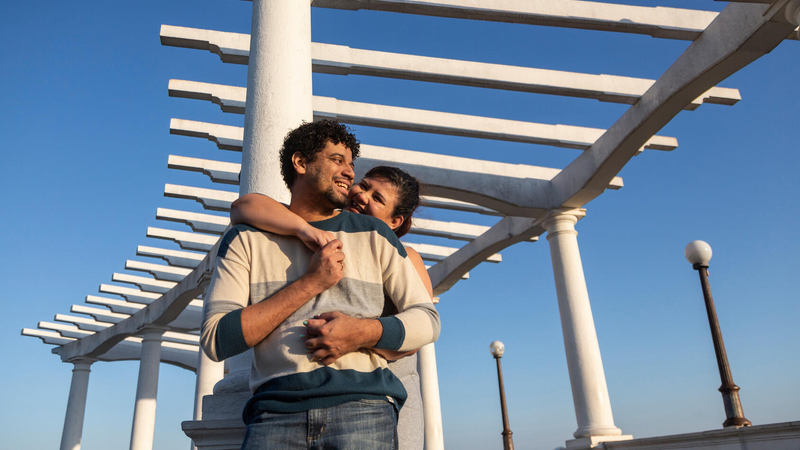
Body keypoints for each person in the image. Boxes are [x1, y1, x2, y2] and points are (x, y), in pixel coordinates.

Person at [200, 120, 440, 450]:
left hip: (365, 409)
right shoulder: (247, 238)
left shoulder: (376, 235)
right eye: (337, 160)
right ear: (300, 163)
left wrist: (359, 332)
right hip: (274, 416)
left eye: (352, 165)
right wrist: (310, 283)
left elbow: (427, 320)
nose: (350, 175)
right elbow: (216, 339)